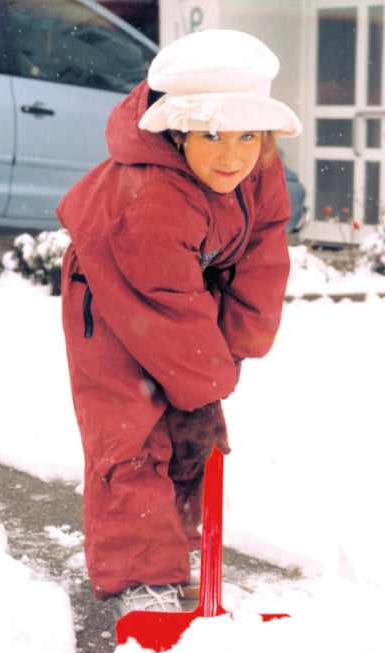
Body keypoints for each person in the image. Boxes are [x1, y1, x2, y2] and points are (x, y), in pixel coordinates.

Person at [56, 29, 301, 618]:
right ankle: (140, 580)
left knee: (193, 437)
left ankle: (173, 553)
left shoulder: (256, 163)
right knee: (132, 437)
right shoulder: (149, 197)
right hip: (110, 301)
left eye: (248, 134)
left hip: (187, 291)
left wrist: (238, 345)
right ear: (176, 129)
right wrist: (207, 384)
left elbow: (264, 251)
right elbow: (161, 301)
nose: (233, 155)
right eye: (213, 135)